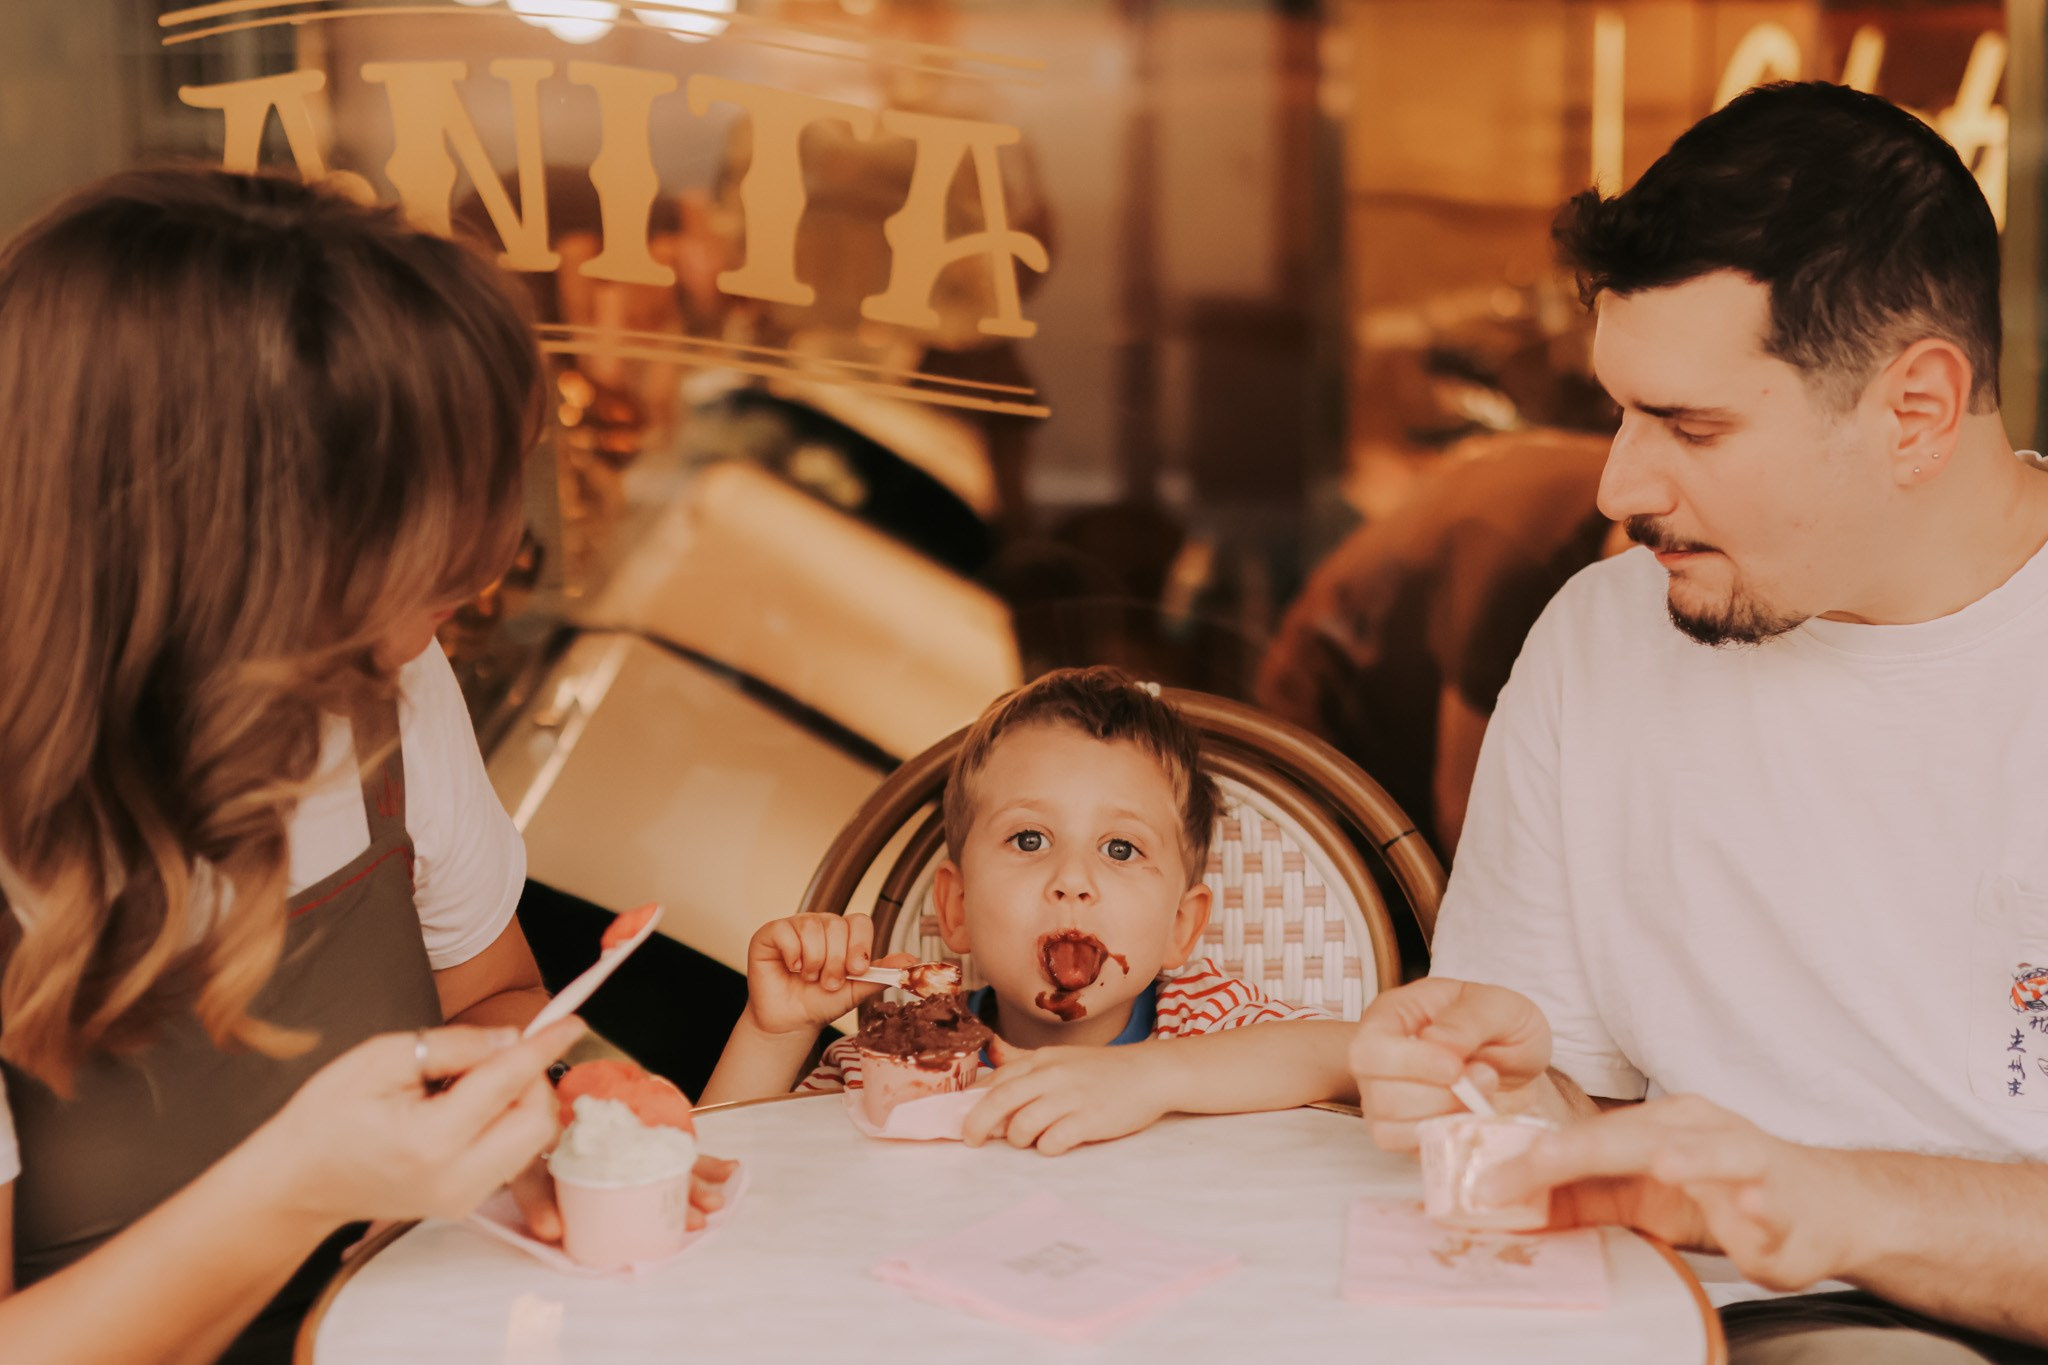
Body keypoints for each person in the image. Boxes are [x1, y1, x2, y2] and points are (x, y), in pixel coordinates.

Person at [1349, 82, 2048, 1364]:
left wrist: (1828, 1205)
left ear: (1916, 412)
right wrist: (1513, 1094)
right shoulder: (1597, 637)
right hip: (1637, 1320)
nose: (1619, 485)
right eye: (1618, 410)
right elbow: (1572, 1108)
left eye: (1689, 426)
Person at [0, 169, 727, 1362]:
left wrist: (565, 1100)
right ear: (217, 538)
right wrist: (296, 1189)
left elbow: (485, 1004)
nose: (498, 554)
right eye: (425, 524)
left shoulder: (388, 682)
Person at [701, 666, 1358, 1152]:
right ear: (956, 907)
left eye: (1121, 848)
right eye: (1029, 839)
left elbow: (1358, 1056)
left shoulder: (1207, 1022)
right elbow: (721, 1175)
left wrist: (1152, 1076)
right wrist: (773, 1031)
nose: (1072, 880)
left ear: (1180, 928)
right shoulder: (900, 1060)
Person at [1256, 429, 1616, 859]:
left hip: (1420, 697)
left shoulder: (1640, 494)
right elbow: (1463, 811)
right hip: (1331, 695)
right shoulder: (1518, 566)